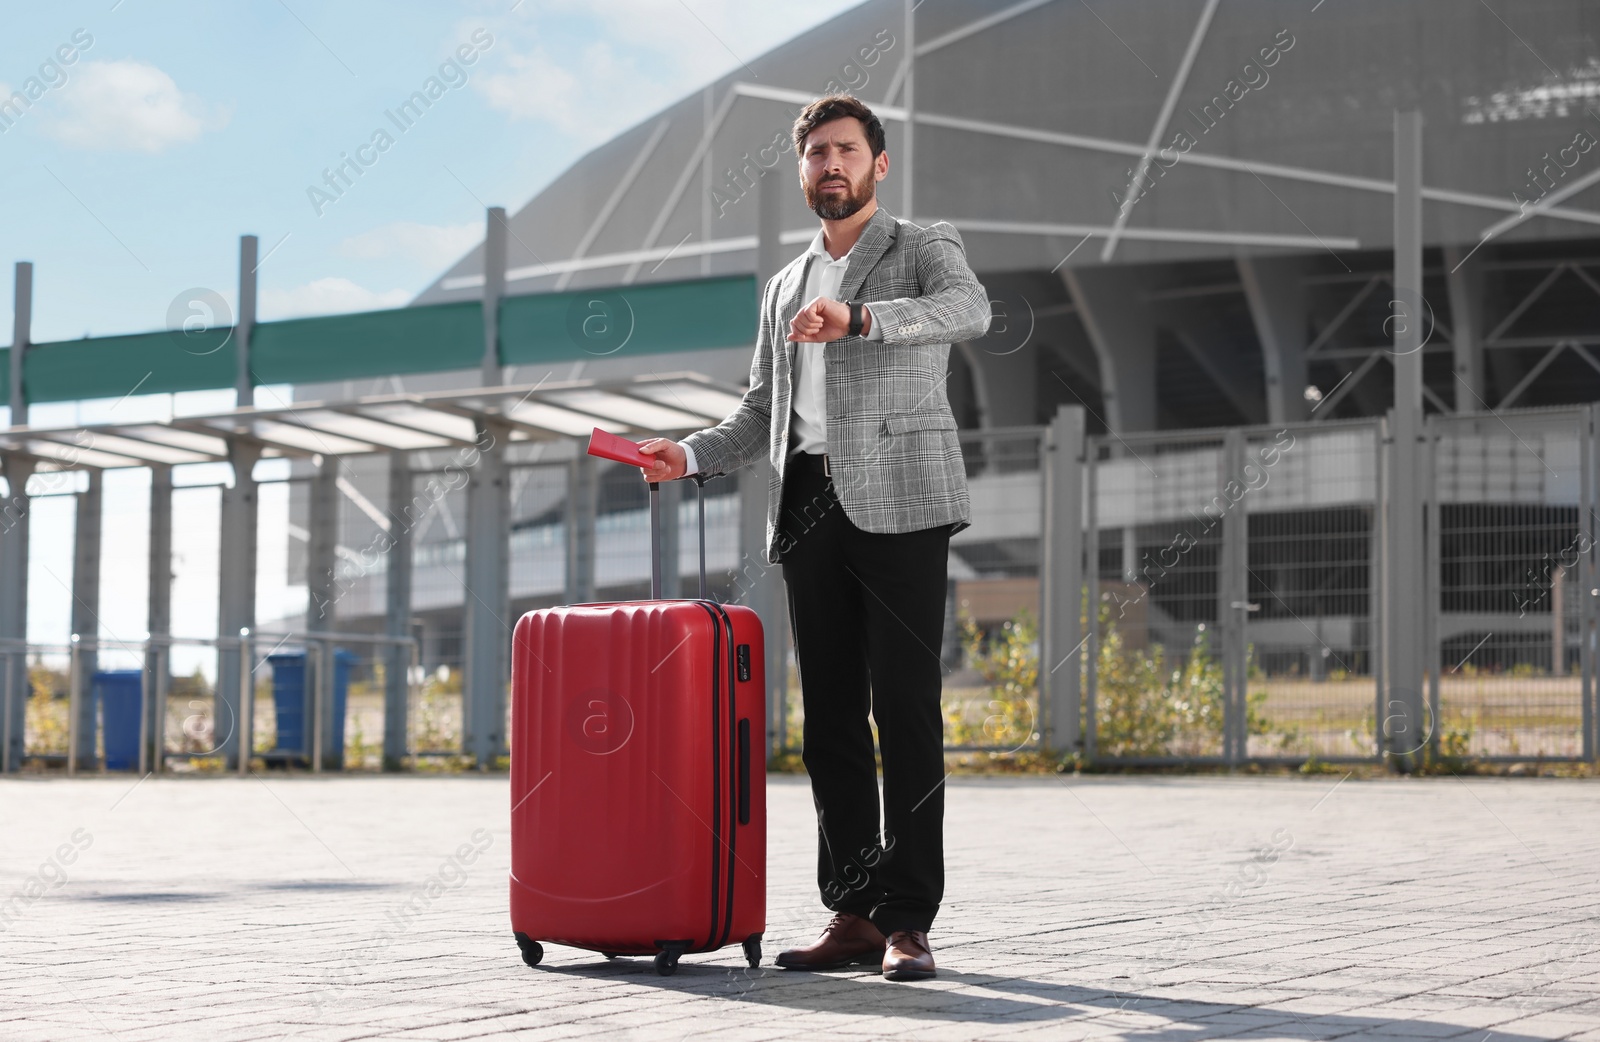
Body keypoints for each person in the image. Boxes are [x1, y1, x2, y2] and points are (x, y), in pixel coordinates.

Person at [637, 93, 989, 982]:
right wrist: (685, 454)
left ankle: (910, 919)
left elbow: (968, 312)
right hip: (807, 509)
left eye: (845, 150)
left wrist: (862, 319)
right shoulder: (784, 286)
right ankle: (855, 911)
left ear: (878, 163)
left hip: (904, 500)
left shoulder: (919, 246)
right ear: (801, 172)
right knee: (829, 718)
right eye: (816, 154)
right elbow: (760, 412)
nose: (830, 165)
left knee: (904, 710)